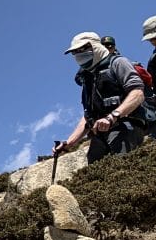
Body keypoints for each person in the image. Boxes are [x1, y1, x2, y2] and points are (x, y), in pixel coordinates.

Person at [54, 32, 146, 163]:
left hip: (125, 127)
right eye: (75, 52)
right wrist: (69, 143)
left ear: (96, 46)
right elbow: (88, 116)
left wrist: (112, 116)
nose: (79, 54)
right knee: (95, 174)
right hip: (100, 135)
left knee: (124, 167)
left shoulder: (118, 63)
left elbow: (137, 93)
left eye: (83, 49)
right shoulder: (88, 78)